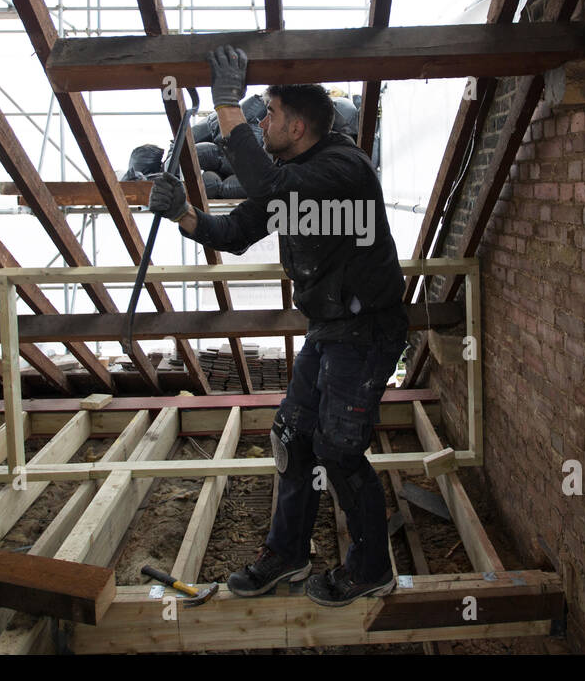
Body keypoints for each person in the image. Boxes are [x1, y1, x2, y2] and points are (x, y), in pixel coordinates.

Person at [147, 45, 409, 607]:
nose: (261, 122)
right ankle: (288, 553)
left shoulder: (343, 170)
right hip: (329, 329)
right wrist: (183, 214)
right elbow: (234, 233)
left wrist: (226, 105)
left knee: (338, 450)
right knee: (292, 436)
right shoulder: (291, 179)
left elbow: (273, 188)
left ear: (297, 126)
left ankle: (371, 570)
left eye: (268, 114)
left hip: (368, 331)